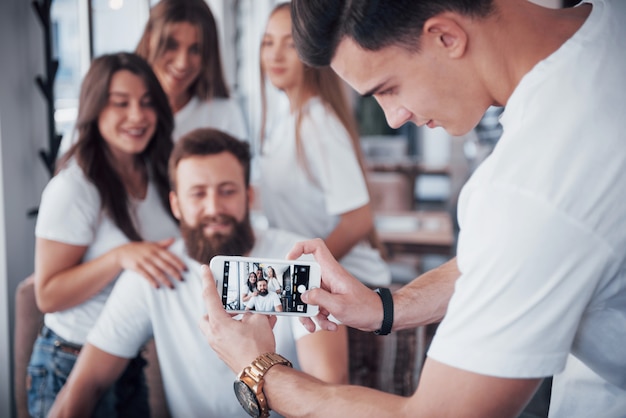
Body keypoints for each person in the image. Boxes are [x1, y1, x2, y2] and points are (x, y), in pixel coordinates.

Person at [199, 0, 626, 417]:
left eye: (388, 88)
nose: (393, 118)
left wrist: (259, 370)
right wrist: (387, 307)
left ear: (446, 36)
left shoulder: (532, 192)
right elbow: (515, 254)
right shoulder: (608, 26)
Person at [47, 128, 349, 418]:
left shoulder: (296, 261)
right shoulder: (153, 271)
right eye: (198, 194)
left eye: (227, 191)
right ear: (176, 205)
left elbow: (329, 387)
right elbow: (84, 387)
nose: (213, 207)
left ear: (249, 196)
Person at [27, 52, 185, 418]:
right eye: (121, 104)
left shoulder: (158, 170)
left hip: (127, 358)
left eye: (147, 103)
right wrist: (119, 257)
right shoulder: (74, 188)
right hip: (70, 360)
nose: (137, 116)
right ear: (95, 108)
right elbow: (47, 295)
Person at [257, 2, 390, 288]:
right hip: (313, 277)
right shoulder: (285, 121)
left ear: (310, 51)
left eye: (289, 44)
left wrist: (299, 274)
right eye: (268, 43)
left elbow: (358, 220)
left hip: (349, 282)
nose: (275, 55)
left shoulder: (318, 124)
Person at [57, 0, 246, 157]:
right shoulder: (107, 110)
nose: (182, 63)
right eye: (171, 45)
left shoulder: (224, 114)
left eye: (195, 49)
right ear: (149, 39)